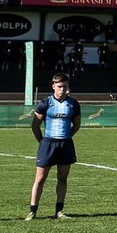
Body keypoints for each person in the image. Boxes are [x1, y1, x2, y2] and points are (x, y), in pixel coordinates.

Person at [28, 73, 80, 220]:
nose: (62, 90)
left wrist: (67, 137)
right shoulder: (45, 103)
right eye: (59, 87)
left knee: (62, 178)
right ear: (53, 86)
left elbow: (77, 124)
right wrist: (42, 141)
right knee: (40, 179)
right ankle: (33, 211)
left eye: (64, 87)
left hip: (65, 144)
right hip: (48, 143)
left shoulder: (73, 104)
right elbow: (35, 125)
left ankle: (59, 211)